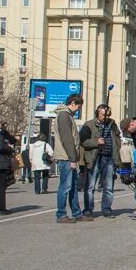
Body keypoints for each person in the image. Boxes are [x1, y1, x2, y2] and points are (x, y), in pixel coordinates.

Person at [80, 104, 125, 218]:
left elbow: (118, 137)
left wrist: (117, 146)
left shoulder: (112, 124)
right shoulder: (89, 125)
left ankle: (107, 209)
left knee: (108, 187)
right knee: (90, 187)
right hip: (95, 158)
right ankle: (88, 210)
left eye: (108, 114)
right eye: (103, 115)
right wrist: (96, 142)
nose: (105, 117)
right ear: (97, 113)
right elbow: (82, 141)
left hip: (109, 158)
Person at [52, 94, 88, 223]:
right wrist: (73, 158)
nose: (78, 109)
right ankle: (61, 214)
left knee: (72, 186)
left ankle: (76, 212)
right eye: (78, 106)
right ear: (72, 103)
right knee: (65, 186)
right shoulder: (64, 116)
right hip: (66, 157)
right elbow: (67, 139)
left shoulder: (67, 115)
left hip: (69, 156)